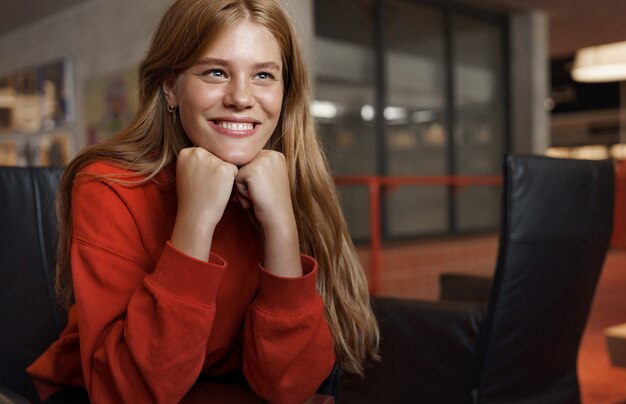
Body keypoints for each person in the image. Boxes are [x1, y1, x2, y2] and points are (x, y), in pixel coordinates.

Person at [26, 0, 380, 402]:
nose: (241, 97)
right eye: (215, 72)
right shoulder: (109, 185)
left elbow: (290, 387)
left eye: (263, 75)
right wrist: (195, 221)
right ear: (170, 86)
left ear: (285, 93)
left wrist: (281, 227)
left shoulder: (286, 181)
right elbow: (126, 392)